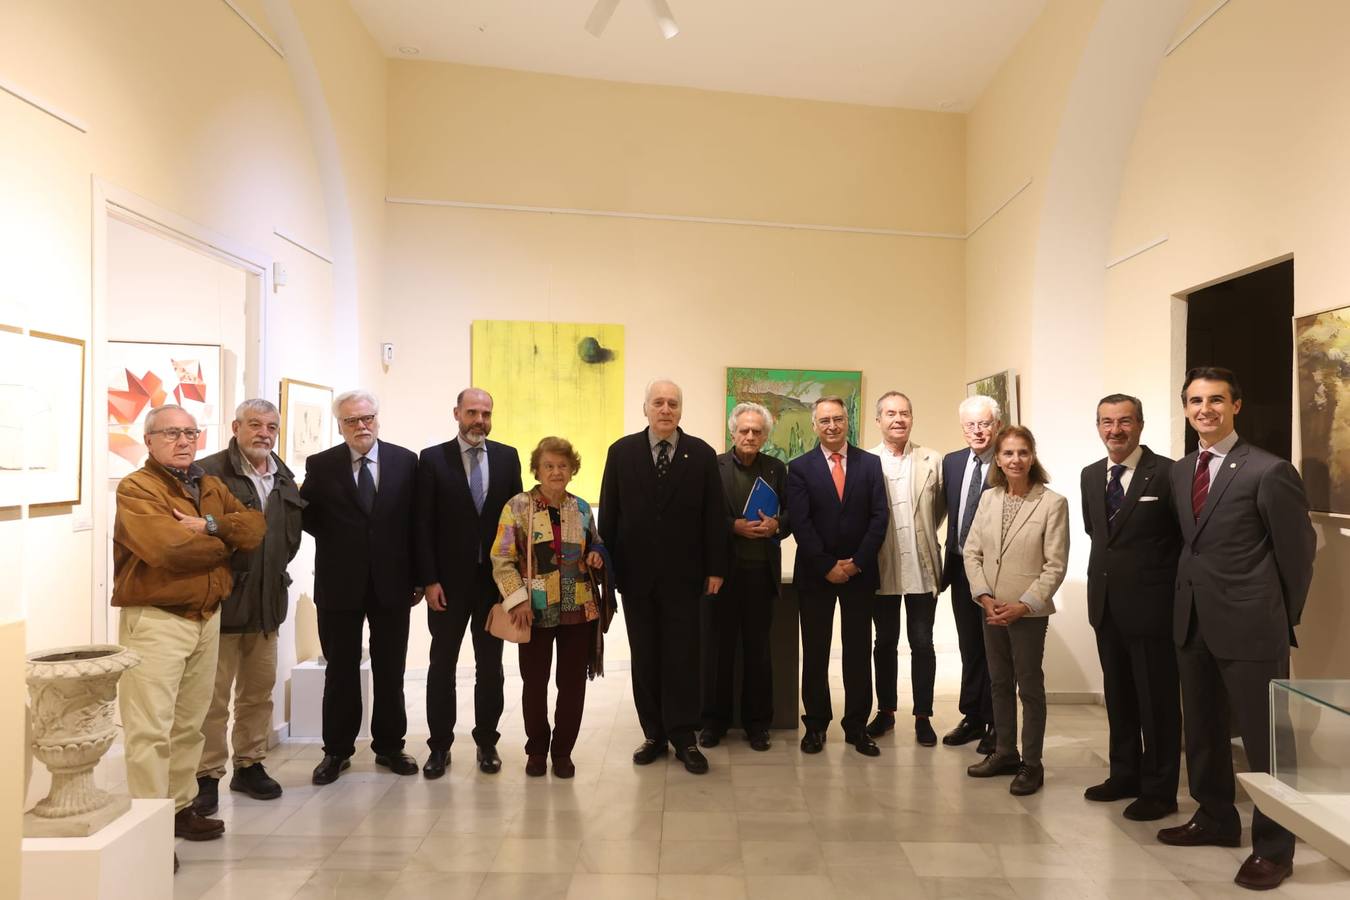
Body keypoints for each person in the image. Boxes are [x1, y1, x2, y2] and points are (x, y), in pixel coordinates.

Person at [1157, 367, 1316, 892]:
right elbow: (1192, 544)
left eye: (1216, 400)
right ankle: (1215, 818)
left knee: (1268, 741)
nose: (1206, 409)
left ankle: (1274, 849)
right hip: (1193, 621)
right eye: (1196, 401)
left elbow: (1297, 553)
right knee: (1201, 732)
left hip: (1252, 625)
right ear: (1185, 409)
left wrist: (1279, 616)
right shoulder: (1181, 472)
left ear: (1236, 406)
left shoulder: (1269, 471)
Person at [113, 404, 264, 860]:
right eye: (171, 433)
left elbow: (256, 527)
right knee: (150, 729)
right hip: (158, 618)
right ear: (149, 440)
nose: (183, 441)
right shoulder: (137, 488)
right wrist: (224, 545)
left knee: (189, 725)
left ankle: (180, 808)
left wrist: (210, 526)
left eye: (190, 433)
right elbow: (168, 549)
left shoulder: (209, 484)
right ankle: (149, 828)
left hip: (205, 616)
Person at [599, 379, 727, 775]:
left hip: (685, 578)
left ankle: (684, 737)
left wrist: (716, 568)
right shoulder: (621, 453)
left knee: (683, 658)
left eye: (673, 403)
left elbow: (714, 518)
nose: (666, 409)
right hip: (636, 579)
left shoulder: (701, 454)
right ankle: (653, 733)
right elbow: (609, 515)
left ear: (681, 410)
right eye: (659, 402)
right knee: (646, 656)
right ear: (646, 409)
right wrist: (609, 572)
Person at [300, 390, 421, 785]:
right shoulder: (321, 465)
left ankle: (389, 746)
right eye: (352, 421)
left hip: (392, 584)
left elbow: (415, 524)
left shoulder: (405, 461)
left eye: (367, 418)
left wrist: (419, 576)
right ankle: (336, 751)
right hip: (339, 585)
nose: (361, 426)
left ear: (377, 418)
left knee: (391, 669)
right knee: (340, 671)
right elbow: (310, 518)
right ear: (340, 425)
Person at [193, 399, 305, 816]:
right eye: (254, 425)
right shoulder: (208, 473)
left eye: (271, 426)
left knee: (258, 693)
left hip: (267, 603)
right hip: (222, 602)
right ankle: (206, 776)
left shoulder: (284, 478)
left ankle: (250, 764)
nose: (263, 433)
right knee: (213, 698)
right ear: (236, 426)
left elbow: (289, 539)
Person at [1080, 393, 1182, 821]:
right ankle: (1124, 773)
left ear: (1140, 424)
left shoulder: (1168, 475)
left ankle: (1160, 790)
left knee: (1156, 702)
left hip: (1153, 609)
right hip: (1106, 607)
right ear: (1098, 426)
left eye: (1124, 422)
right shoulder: (1090, 475)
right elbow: (1097, 533)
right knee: (1118, 697)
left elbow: (1181, 539)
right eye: (1107, 422)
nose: (1115, 430)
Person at [414, 388, 521, 777]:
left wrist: (514, 584)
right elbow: (422, 524)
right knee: (441, 664)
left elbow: (517, 523)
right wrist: (428, 580)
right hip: (447, 585)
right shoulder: (432, 459)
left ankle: (487, 743)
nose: (479, 420)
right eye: (472, 412)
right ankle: (439, 746)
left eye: (486, 413)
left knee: (490, 666)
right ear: (456, 413)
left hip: (493, 584)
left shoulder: (508, 457)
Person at [491, 437, 610, 778]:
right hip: (534, 611)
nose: (557, 472)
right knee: (534, 683)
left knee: (573, 685)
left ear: (572, 469)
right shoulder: (518, 506)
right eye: (549, 466)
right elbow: (501, 558)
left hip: (578, 609)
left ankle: (562, 752)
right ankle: (536, 750)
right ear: (537, 470)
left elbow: (598, 544)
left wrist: (597, 555)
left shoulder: (582, 508)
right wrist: (518, 599)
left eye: (563, 466)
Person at [962, 425, 1068, 796]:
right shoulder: (989, 499)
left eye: (1022, 452)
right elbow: (971, 552)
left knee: (1030, 687)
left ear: (1032, 456)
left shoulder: (1052, 503)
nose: (1015, 460)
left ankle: (1032, 764)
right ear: (999, 459)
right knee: (999, 683)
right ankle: (1005, 751)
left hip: (1027, 614)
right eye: (1008, 453)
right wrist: (985, 596)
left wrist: (1023, 605)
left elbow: (1055, 565)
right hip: (991, 608)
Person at [787, 396, 889, 757]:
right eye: (825, 420)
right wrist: (827, 564)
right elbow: (801, 522)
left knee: (858, 651)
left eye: (838, 419)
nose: (832, 426)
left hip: (860, 574)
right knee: (814, 652)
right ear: (814, 425)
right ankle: (815, 725)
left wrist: (856, 562)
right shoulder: (799, 468)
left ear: (849, 422)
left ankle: (857, 727)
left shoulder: (870, 464)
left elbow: (880, 518)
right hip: (816, 574)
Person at [700, 402, 791, 752]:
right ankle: (713, 723)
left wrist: (777, 525)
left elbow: (791, 513)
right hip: (722, 575)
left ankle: (758, 726)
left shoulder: (777, 469)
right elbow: (704, 517)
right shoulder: (714, 467)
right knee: (717, 653)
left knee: (758, 654)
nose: (750, 436)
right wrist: (733, 526)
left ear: (765, 435)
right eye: (744, 430)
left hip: (759, 575)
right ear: (732, 433)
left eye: (757, 431)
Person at [866, 391, 945, 746]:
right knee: (884, 642)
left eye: (905, 413)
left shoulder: (932, 460)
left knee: (922, 642)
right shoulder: (867, 461)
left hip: (921, 566)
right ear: (878, 420)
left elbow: (939, 509)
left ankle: (923, 716)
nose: (899, 419)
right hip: (881, 567)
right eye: (891, 413)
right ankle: (886, 711)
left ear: (912, 418)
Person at [940, 395, 1001, 754]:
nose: (977, 431)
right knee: (970, 646)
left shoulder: (1009, 460)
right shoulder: (952, 463)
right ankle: (972, 716)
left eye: (984, 423)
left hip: (996, 572)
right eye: (970, 425)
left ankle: (997, 722)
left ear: (996, 424)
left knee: (995, 649)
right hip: (961, 568)